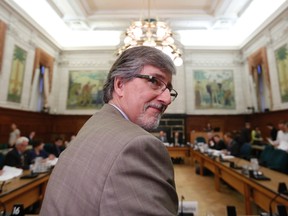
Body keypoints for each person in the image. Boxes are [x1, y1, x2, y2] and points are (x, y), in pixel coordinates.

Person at [40, 46, 179, 215]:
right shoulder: (137, 146)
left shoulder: (95, 123)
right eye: (154, 81)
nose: (167, 99)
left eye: (168, 89)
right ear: (120, 84)